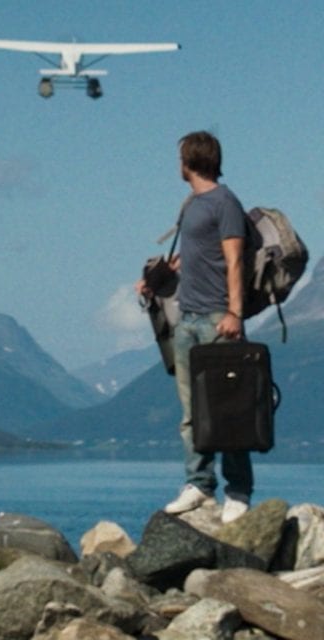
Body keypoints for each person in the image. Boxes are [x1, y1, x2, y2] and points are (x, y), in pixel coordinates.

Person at [142, 131, 253, 524]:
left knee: (230, 412)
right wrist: (156, 281)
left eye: (180, 158)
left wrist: (234, 313)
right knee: (192, 413)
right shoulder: (192, 204)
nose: (178, 165)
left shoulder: (225, 203)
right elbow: (189, 259)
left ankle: (238, 491)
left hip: (217, 320)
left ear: (190, 160)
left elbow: (234, 260)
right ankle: (199, 485)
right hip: (186, 321)